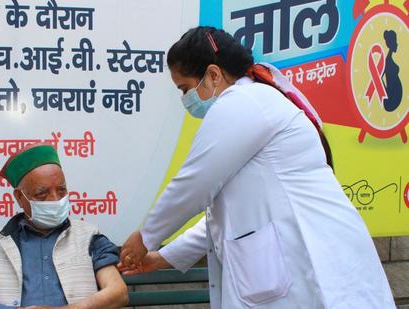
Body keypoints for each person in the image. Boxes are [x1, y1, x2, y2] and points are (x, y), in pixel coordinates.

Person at [119, 26, 395, 308]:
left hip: (321, 264)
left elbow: (194, 185)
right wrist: (162, 258)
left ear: (213, 74)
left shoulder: (244, 103)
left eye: (186, 89)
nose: (185, 100)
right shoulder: (252, 104)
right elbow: (217, 220)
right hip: (311, 264)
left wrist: (146, 236)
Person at [0, 143, 128, 309]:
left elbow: (118, 292)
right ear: (20, 198)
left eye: (61, 190)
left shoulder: (89, 236)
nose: (55, 199)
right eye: (42, 193)